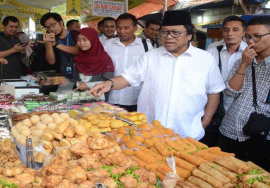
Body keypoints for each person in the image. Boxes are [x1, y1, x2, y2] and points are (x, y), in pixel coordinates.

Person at [89, 11, 225, 140]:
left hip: (188, 134)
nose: (169, 37)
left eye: (175, 33)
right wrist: (109, 84)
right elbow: (128, 77)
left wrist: (205, 122)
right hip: (149, 134)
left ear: (189, 35)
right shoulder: (150, 57)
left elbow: (214, 92)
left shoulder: (205, 59)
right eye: (164, 32)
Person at [219, 16, 270, 171]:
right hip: (230, 129)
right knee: (223, 173)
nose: (251, 41)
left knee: (254, 178)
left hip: (261, 135)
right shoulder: (243, 60)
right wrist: (244, 64)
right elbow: (230, 92)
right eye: (248, 37)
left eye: (257, 36)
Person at [202, 16, 247, 147]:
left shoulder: (250, 52)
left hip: (238, 107)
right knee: (210, 143)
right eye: (226, 30)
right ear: (222, 31)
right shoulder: (212, 50)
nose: (230, 33)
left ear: (244, 32)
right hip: (214, 104)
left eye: (235, 30)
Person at [103, 13, 153, 112]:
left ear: (135, 28)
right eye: (119, 27)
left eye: (126, 28)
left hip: (135, 99)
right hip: (110, 98)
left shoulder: (146, 46)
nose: (122, 31)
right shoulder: (107, 44)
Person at [74, 28, 114, 93]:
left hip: (99, 98)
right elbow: (75, 78)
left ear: (93, 40)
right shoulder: (79, 58)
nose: (81, 43)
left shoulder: (104, 59)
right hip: (79, 98)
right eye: (78, 40)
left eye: (84, 40)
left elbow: (109, 82)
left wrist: (88, 86)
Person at [40, 12, 79, 80]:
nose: (51, 29)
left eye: (53, 25)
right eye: (47, 27)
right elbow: (51, 62)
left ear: (61, 22)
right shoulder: (50, 39)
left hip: (79, 76)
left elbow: (78, 50)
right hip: (61, 79)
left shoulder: (75, 34)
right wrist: (48, 45)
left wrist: (56, 44)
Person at [0, 16, 27, 82]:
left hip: (17, 73)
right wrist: (13, 50)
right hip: (4, 75)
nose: (14, 29)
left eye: (16, 27)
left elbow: (22, 55)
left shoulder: (15, 38)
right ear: (4, 26)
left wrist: (22, 51)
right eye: (11, 27)